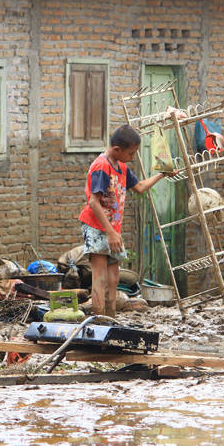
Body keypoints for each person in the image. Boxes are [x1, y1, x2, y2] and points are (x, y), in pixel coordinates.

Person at [78, 124, 176, 317]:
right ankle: (99, 320)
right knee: (100, 277)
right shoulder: (102, 166)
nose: (133, 157)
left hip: (113, 228)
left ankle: (110, 316)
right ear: (117, 150)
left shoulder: (121, 167)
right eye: (131, 153)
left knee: (113, 278)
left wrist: (163, 174)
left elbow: (139, 187)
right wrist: (111, 232)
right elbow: (93, 203)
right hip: (96, 226)